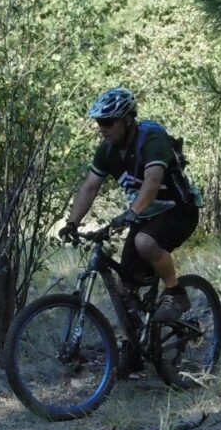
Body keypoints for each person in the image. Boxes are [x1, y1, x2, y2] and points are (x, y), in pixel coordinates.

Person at [60, 87, 200, 351]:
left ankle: (175, 293)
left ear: (126, 119)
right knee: (125, 289)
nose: (102, 128)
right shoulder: (108, 150)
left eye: (107, 122)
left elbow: (153, 181)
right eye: (99, 122)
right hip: (146, 214)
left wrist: (131, 213)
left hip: (179, 209)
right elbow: (90, 186)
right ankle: (138, 350)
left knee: (145, 242)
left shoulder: (151, 139)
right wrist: (72, 223)